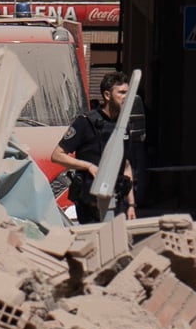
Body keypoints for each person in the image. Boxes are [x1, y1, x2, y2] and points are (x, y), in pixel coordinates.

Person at [53, 74, 137, 222]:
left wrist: (131, 204)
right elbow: (57, 155)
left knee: (118, 243)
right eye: (121, 92)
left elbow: (126, 166)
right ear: (107, 95)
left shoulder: (124, 126)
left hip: (116, 199)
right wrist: (88, 166)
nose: (126, 97)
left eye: (128, 93)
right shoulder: (86, 122)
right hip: (89, 201)